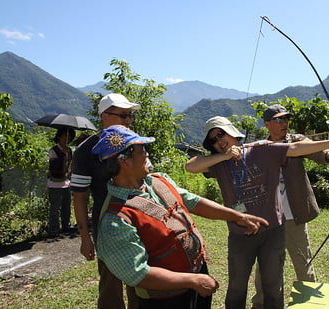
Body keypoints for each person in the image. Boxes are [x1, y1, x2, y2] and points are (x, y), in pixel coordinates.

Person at [185, 116, 329, 309]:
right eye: (213, 140)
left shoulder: (261, 149)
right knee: (237, 288)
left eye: (221, 133)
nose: (219, 140)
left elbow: (295, 149)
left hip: (273, 231)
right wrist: (225, 156)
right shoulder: (218, 162)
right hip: (240, 234)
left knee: (274, 288)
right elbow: (190, 166)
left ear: (232, 132)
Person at [93, 125, 268, 308]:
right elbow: (138, 274)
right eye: (142, 150)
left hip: (195, 279)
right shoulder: (116, 219)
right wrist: (191, 280)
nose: (147, 154)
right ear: (124, 162)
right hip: (164, 299)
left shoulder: (156, 181)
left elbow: (193, 202)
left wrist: (236, 216)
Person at [251, 104, 329, 308]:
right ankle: (261, 304)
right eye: (278, 120)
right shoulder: (259, 147)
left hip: (294, 214)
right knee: (266, 265)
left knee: (303, 261)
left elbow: (320, 154)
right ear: (267, 124)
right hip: (268, 218)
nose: (284, 123)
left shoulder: (298, 140)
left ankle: (310, 302)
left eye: (286, 119)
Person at [70, 93, 141, 309]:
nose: (128, 121)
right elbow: (79, 197)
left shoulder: (135, 143)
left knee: (142, 285)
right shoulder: (85, 152)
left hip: (140, 223)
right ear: (104, 116)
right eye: (123, 115)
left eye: (130, 116)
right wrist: (85, 238)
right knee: (111, 289)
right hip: (107, 228)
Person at [47, 127, 75, 236]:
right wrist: (62, 155)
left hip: (66, 183)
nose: (67, 139)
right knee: (55, 208)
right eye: (64, 136)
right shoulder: (53, 150)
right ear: (59, 136)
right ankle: (53, 230)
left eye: (69, 137)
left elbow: (70, 166)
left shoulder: (69, 150)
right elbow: (54, 166)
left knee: (66, 206)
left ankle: (66, 226)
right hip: (54, 183)